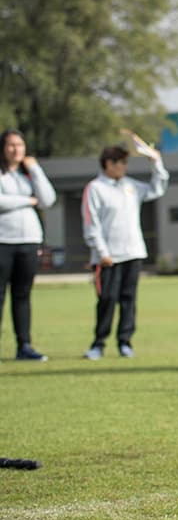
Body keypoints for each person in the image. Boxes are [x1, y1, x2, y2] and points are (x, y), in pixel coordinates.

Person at [81, 140, 169, 359]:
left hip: (133, 253)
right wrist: (102, 252)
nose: (124, 167)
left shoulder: (131, 186)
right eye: (120, 162)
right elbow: (91, 224)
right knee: (107, 300)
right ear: (108, 164)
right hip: (108, 257)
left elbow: (157, 188)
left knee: (129, 300)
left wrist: (156, 163)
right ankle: (98, 344)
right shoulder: (95, 188)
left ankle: (125, 342)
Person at [0, 130, 57, 362]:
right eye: (11, 145)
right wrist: (27, 201)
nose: (16, 150)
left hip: (29, 241)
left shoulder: (28, 175)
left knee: (22, 295)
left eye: (20, 145)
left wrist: (35, 169)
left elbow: (48, 199)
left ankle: (24, 345)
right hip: (3, 241)